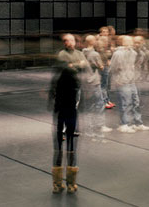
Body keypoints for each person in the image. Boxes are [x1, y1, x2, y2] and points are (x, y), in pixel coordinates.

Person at [49, 33, 86, 193]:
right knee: (59, 147)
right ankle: (58, 184)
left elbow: (83, 65)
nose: (68, 43)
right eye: (65, 40)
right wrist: (77, 65)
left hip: (71, 106)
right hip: (63, 106)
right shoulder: (62, 55)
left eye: (70, 40)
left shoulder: (78, 54)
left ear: (74, 42)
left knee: (71, 146)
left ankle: (70, 183)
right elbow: (72, 68)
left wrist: (76, 65)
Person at [109, 35, 148, 133]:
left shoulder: (133, 53)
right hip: (122, 80)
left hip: (131, 80)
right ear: (123, 42)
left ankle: (137, 122)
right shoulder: (118, 54)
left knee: (135, 101)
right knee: (125, 103)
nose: (132, 42)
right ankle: (124, 124)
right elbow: (113, 68)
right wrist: (118, 79)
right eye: (129, 41)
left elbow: (134, 65)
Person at [81, 34, 111, 137]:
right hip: (94, 81)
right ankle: (100, 125)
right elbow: (101, 67)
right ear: (92, 42)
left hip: (85, 81)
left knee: (88, 106)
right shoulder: (95, 54)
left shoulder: (81, 53)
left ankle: (88, 128)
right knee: (99, 103)